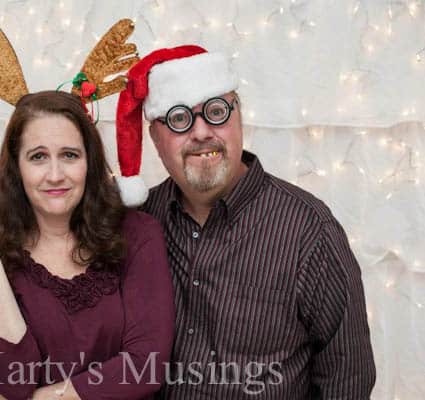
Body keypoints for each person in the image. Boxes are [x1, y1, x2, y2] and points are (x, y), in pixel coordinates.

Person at [111, 45, 377, 399]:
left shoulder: (308, 231)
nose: (202, 132)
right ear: (156, 138)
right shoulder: (139, 223)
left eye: (217, 111)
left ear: (239, 119)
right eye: (178, 119)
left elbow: (347, 379)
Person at [0, 91, 175, 400]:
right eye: (38, 157)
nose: (55, 175)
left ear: (90, 161)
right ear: (16, 167)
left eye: (70, 155)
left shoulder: (138, 234)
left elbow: (145, 366)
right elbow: (9, 382)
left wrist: (40, 399)